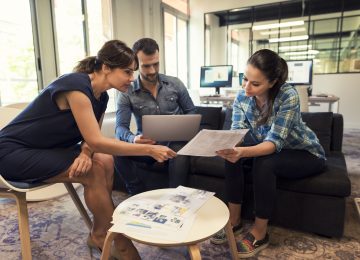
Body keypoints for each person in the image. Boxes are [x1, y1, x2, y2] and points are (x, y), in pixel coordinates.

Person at [0, 40, 176, 260]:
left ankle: (99, 233)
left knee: (104, 159)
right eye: (127, 72)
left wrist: (85, 152)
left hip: (45, 149)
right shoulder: (75, 87)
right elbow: (98, 140)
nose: (132, 78)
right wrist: (149, 151)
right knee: (92, 171)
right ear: (105, 68)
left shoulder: (101, 96)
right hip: (11, 153)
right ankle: (116, 240)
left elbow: (92, 141)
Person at [210, 49, 326, 258]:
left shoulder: (287, 96)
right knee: (232, 157)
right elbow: (238, 130)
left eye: (255, 84)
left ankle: (260, 232)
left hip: (304, 153)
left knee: (264, 162)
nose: (246, 87)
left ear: (272, 82)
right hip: (270, 149)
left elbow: (274, 143)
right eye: (245, 79)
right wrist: (228, 145)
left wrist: (243, 151)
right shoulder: (242, 96)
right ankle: (233, 220)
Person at [114, 38, 196, 195]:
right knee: (118, 151)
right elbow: (120, 128)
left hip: (175, 143)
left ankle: (175, 199)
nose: (152, 70)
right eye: (146, 66)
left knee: (179, 153)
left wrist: (184, 127)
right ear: (136, 64)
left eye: (156, 64)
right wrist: (133, 139)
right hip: (148, 146)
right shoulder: (126, 92)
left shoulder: (175, 84)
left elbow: (191, 111)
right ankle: (137, 193)